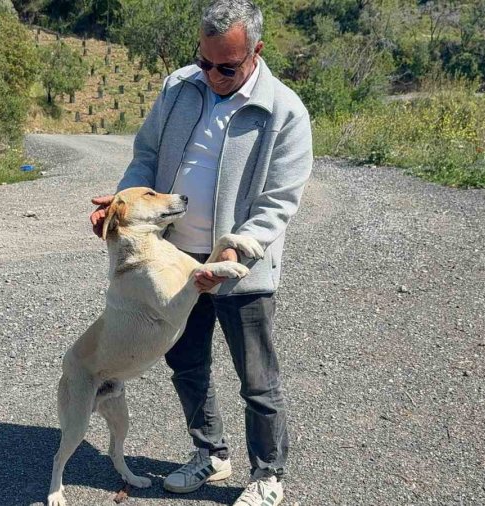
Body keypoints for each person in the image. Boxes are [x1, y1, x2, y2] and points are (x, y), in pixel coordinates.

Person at [89, 1, 313, 504]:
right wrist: (123, 207)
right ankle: (210, 453)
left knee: (257, 380)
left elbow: (278, 205)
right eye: (205, 61)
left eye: (226, 67)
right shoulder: (180, 86)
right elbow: (145, 157)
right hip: (170, 266)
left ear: (256, 52)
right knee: (187, 367)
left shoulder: (286, 113)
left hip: (237, 271)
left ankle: (268, 475)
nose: (211, 74)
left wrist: (234, 258)